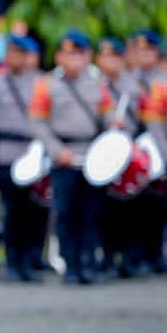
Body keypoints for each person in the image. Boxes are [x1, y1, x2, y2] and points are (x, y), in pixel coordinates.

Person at [30, 29, 112, 285]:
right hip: (62, 156)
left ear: (88, 56)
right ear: (58, 57)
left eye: (79, 53)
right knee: (64, 213)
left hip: (91, 156)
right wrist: (56, 151)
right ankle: (70, 265)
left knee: (91, 213)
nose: (74, 59)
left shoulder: (97, 84)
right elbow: (37, 122)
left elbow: (107, 117)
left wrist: (114, 127)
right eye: (68, 54)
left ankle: (87, 263)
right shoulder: (47, 84)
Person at [0, 34, 49, 282]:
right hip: (7, 153)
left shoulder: (42, 83)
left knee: (36, 211)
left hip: (36, 153)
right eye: (11, 52)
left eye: (20, 53)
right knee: (12, 211)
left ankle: (31, 260)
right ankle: (13, 262)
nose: (15, 57)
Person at [95, 37, 141, 277]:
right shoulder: (93, 85)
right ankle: (108, 255)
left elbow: (144, 121)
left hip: (127, 153)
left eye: (113, 56)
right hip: (103, 154)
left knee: (129, 210)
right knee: (104, 210)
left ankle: (129, 257)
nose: (108, 61)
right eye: (103, 56)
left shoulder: (133, 87)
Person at [128, 29, 167, 273]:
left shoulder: (163, 82)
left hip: (159, 150)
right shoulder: (124, 80)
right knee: (132, 208)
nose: (144, 56)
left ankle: (154, 256)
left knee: (158, 207)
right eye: (139, 50)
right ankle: (133, 257)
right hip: (131, 151)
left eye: (149, 50)